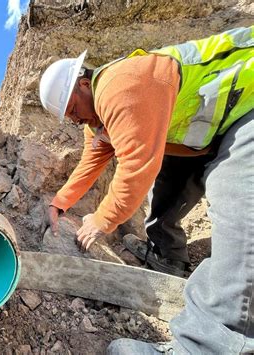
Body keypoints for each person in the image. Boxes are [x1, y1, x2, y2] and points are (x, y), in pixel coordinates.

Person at [39, 27, 253, 354]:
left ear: (84, 84)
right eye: (68, 117)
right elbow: (90, 162)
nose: (74, 119)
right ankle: (168, 258)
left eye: (71, 109)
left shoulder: (119, 87)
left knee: (238, 206)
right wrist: (60, 203)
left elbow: (137, 166)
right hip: (205, 135)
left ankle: (209, 343)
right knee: (166, 188)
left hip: (247, 106)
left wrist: (103, 219)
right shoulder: (97, 120)